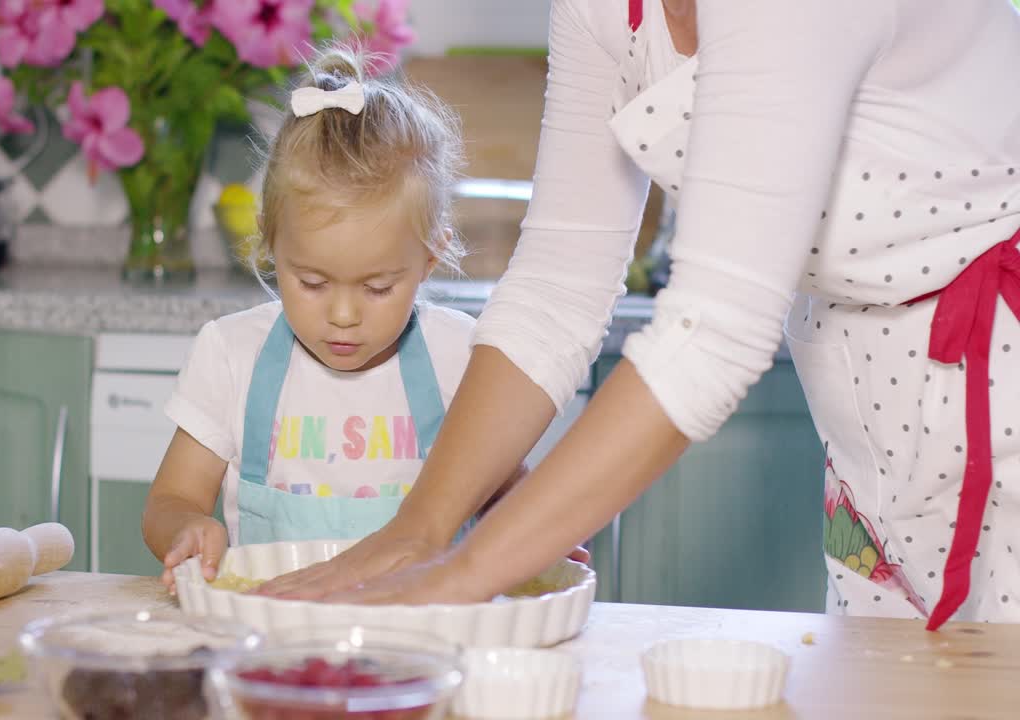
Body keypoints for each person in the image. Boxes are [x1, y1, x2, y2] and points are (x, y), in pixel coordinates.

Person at [257, 0, 1020, 630]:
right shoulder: (601, 10)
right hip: (872, 422)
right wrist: (416, 532)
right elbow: (558, 286)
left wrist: (463, 574)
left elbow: (712, 333)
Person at [141, 46, 569, 591]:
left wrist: (536, 536)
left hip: (422, 644)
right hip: (271, 641)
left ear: (429, 258)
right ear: (271, 242)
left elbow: (506, 493)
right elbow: (170, 498)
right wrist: (187, 528)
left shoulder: (462, 357)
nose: (343, 315)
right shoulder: (231, 353)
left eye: (377, 287)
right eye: (312, 283)